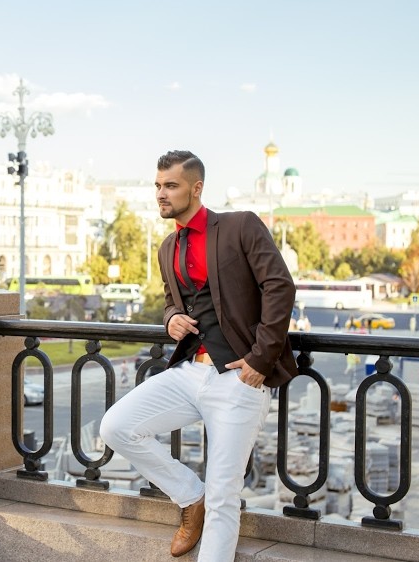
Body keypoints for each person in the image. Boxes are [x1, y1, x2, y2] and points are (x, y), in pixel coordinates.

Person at [99, 150, 297, 561]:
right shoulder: (167, 247)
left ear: (196, 188)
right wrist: (171, 317)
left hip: (239, 379)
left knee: (224, 495)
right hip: (190, 372)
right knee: (116, 427)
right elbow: (172, 301)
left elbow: (279, 286)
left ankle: (207, 506)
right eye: (158, 185)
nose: (161, 193)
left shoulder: (241, 225)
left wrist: (260, 360)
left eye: (171, 185)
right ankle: (191, 497)